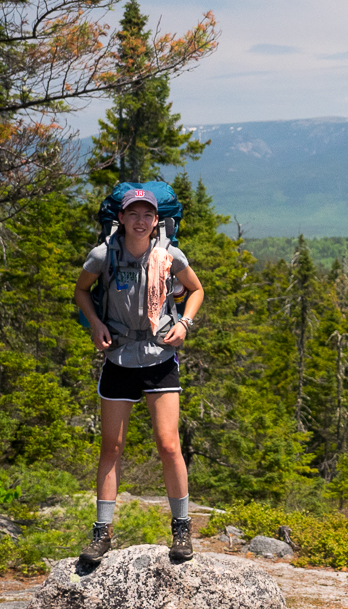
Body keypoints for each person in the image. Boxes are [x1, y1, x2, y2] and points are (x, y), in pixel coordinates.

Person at [74, 188, 204, 563]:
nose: (141, 221)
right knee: (111, 448)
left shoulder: (169, 255)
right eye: (134, 214)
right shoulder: (103, 255)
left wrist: (186, 324)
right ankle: (102, 533)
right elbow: (82, 291)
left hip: (160, 355)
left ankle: (181, 529)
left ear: (156, 220)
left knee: (169, 445)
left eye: (148, 214)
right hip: (118, 359)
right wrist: (95, 324)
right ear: (122, 218)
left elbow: (195, 290)